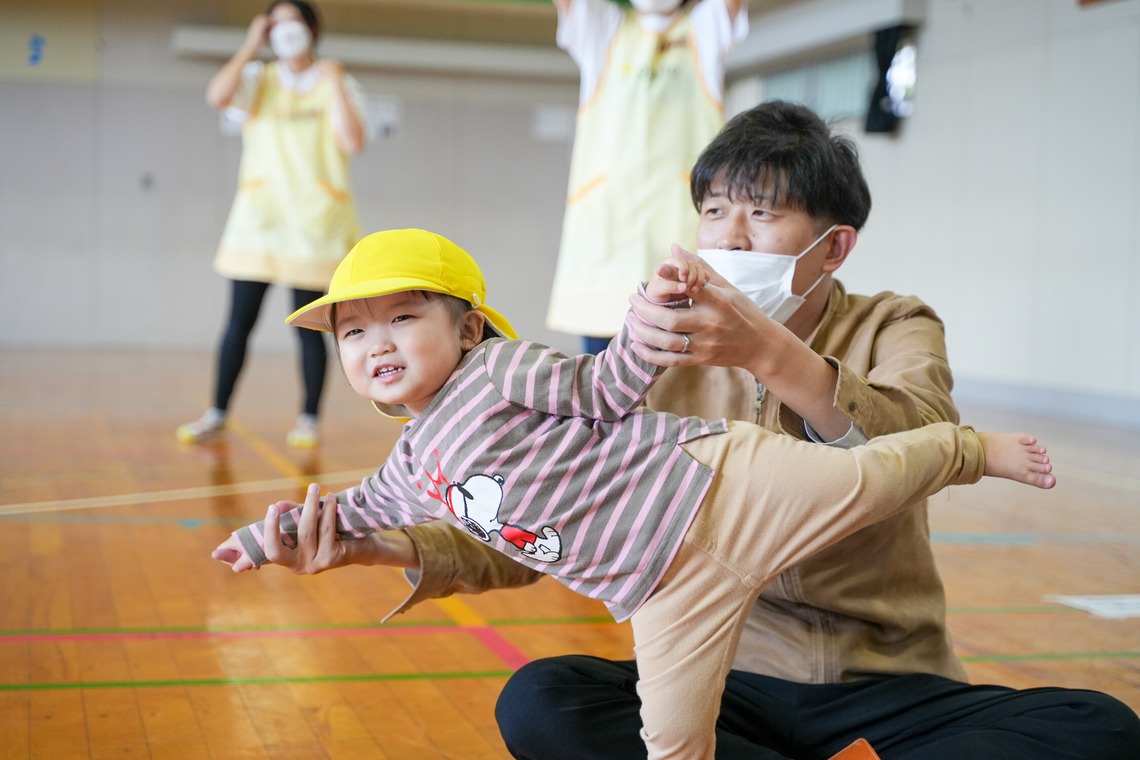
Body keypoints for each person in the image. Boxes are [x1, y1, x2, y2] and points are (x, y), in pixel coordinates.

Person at [250, 103, 1140, 758]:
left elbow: (921, 436)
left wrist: (774, 356)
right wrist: (383, 546)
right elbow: (540, 518)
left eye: (762, 213)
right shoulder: (664, 343)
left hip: (889, 675)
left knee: (1097, 730)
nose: (731, 236)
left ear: (833, 246)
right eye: (714, 212)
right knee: (543, 699)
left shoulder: (896, 322)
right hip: (728, 663)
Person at [177, 0, 367, 448]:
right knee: (238, 323)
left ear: (313, 29)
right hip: (260, 222)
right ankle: (217, 412)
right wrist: (250, 46)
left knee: (309, 329)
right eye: (275, 24)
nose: (285, 30)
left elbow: (353, 141)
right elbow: (217, 97)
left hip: (316, 226)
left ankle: (309, 419)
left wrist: (335, 81)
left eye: (293, 21)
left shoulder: (337, 81)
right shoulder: (258, 78)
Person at [545, 0, 748, 353]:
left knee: (679, 358)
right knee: (604, 369)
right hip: (607, 233)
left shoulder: (703, 29)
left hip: (679, 228)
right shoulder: (604, 31)